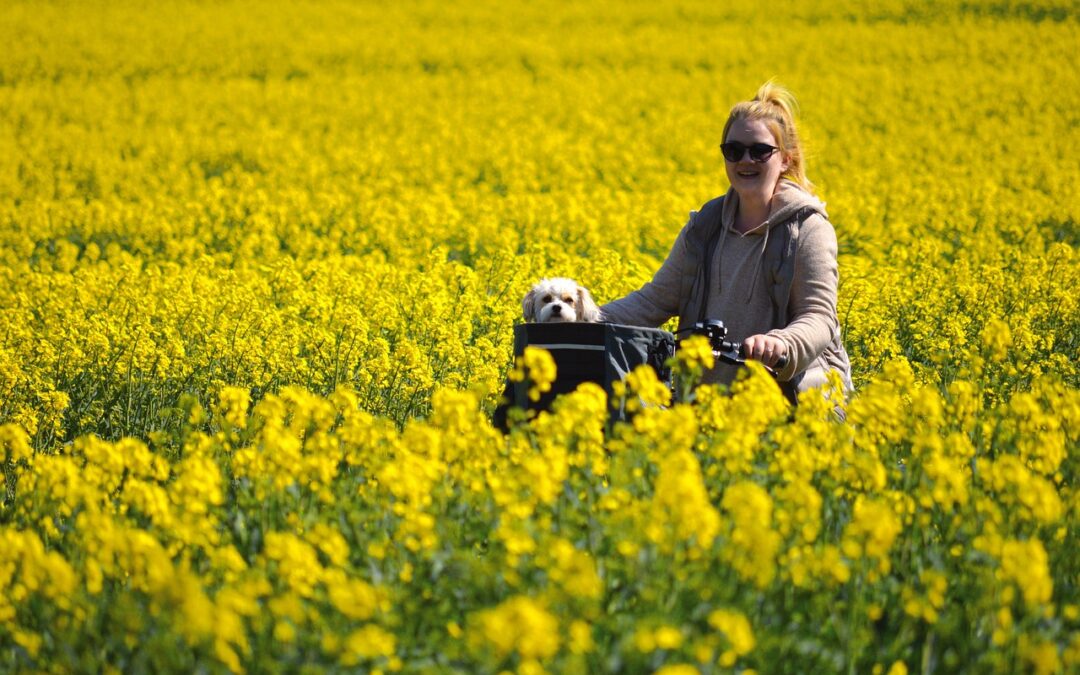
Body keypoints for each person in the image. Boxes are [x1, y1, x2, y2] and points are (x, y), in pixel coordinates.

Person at [600, 81, 853, 404]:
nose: (745, 160)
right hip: (709, 408)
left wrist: (782, 344)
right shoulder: (705, 226)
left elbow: (818, 316)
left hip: (794, 405)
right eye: (733, 151)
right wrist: (580, 317)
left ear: (786, 159)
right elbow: (652, 302)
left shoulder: (806, 227)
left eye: (760, 151)